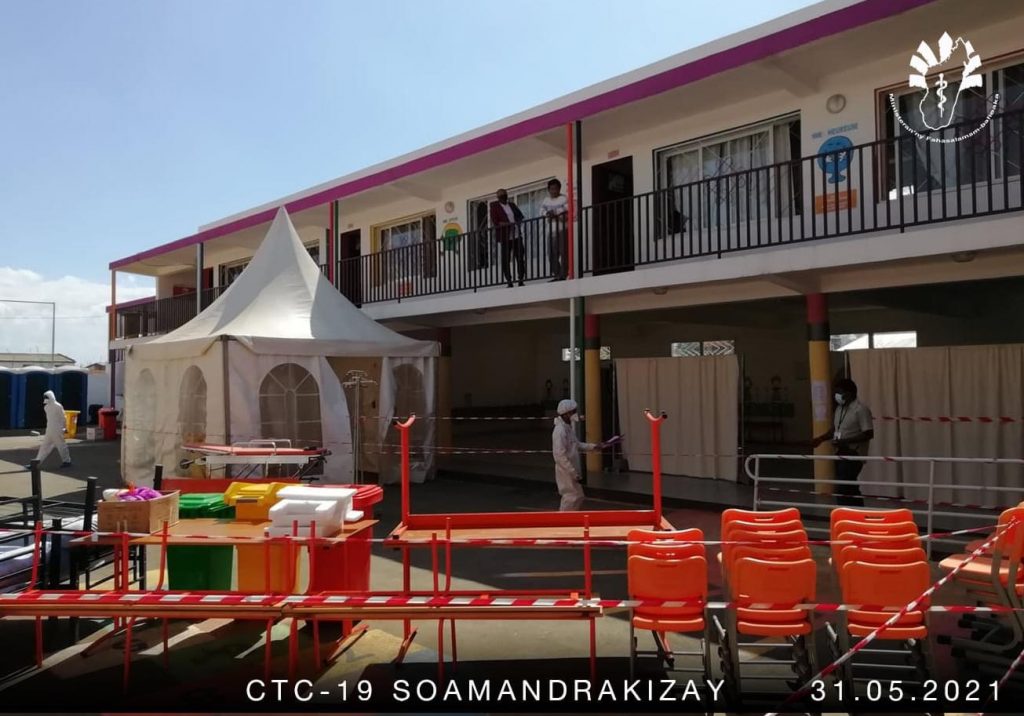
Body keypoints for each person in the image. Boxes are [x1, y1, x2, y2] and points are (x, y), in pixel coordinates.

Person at [812, 378, 873, 506]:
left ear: (849, 393)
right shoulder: (840, 409)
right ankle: (851, 511)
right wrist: (820, 439)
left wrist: (845, 441)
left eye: (839, 392)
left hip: (854, 453)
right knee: (848, 486)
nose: (836, 395)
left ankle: (850, 510)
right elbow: (835, 429)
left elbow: (868, 433)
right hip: (840, 452)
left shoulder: (861, 410)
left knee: (845, 486)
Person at [552, 399, 604, 511]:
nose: (576, 414)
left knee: (578, 496)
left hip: (571, 468)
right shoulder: (560, 431)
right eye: (573, 411)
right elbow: (560, 456)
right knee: (570, 497)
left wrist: (594, 446)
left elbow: (577, 444)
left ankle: (572, 518)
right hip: (565, 470)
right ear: (566, 413)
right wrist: (572, 472)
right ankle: (563, 519)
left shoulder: (567, 428)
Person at [489, 188, 526, 287]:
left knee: (520, 257)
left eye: (504, 195)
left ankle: (521, 279)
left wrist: (517, 223)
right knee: (506, 260)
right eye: (500, 196)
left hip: (517, 235)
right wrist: (510, 224)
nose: (503, 197)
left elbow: (520, 216)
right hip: (505, 237)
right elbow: (496, 222)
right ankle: (509, 281)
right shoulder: (495, 207)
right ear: (498, 197)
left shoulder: (512, 205)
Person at [27, 390, 72, 470]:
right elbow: (61, 418)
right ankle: (37, 462)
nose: (45, 399)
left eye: (46, 397)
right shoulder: (47, 407)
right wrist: (64, 428)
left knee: (61, 446)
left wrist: (64, 427)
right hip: (50, 430)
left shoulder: (56, 406)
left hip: (57, 429)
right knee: (45, 446)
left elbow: (63, 418)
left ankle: (67, 461)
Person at [540, 178, 569, 281]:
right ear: (549, 190)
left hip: (562, 229)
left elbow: (566, 209)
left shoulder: (564, 198)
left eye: (556, 189)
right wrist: (548, 213)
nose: (554, 191)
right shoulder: (546, 200)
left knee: (563, 253)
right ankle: (557, 274)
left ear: (559, 189)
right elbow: (541, 211)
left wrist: (554, 213)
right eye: (552, 189)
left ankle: (563, 275)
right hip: (550, 231)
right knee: (552, 254)